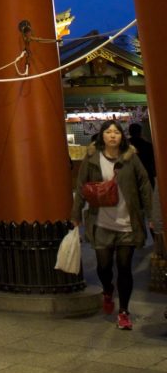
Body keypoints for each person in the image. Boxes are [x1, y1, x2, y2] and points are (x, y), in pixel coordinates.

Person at [71, 119, 152, 331]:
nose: (113, 135)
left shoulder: (131, 157)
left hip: (127, 222)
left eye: (116, 132)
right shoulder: (92, 158)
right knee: (104, 266)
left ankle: (124, 311)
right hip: (101, 222)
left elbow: (144, 184)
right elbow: (81, 186)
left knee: (124, 267)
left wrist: (150, 214)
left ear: (122, 136)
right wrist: (76, 213)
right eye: (108, 132)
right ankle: (107, 289)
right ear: (102, 136)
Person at [128, 123, 156, 188]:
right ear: (140, 132)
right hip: (147, 174)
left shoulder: (125, 146)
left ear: (129, 132)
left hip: (131, 177)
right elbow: (153, 161)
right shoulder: (148, 145)